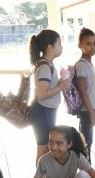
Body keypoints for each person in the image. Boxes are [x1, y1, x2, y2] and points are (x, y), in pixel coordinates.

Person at [28, 29, 70, 166]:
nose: (61, 47)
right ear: (50, 47)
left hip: (46, 111)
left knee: (45, 149)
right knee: (43, 150)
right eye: (59, 44)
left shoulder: (47, 64)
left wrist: (62, 82)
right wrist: (60, 86)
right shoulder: (45, 66)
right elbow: (42, 95)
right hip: (42, 112)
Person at [75, 28, 95, 153]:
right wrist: (91, 112)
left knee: (87, 141)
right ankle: (86, 165)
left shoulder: (88, 63)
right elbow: (82, 90)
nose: (92, 47)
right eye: (88, 44)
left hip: (89, 109)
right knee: (86, 142)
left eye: (94, 43)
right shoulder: (82, 65)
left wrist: (94, 110)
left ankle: (86, 164)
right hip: (85, 110)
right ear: (80, 45)